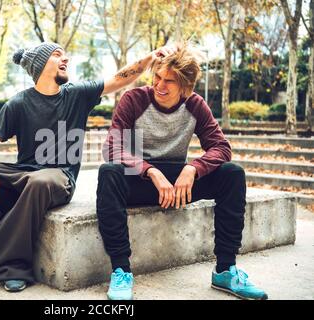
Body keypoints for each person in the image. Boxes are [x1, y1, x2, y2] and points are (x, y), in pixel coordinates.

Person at [0, 42, 174, 292]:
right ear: (40, 64)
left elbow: (118, 79)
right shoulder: (19, 103)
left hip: (59, 177)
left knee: (40, 181)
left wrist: (148, 58)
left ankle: (12, 265)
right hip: (25, 171)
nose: (65, 58)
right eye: (57, 55)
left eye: (65, 55)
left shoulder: (76, 94)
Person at [96, 43, 268, 300]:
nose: (160, 85)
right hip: (142, 180)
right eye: (157, 77)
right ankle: (121, 270)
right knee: (109, 172)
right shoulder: (134, 100)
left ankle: (225, 269)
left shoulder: (195, 105)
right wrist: (150, 171)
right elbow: (113, 147)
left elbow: (221, 147)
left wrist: (193, 168)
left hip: (178, 184)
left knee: (232, 173)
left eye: (170, 81)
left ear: (186, 87)